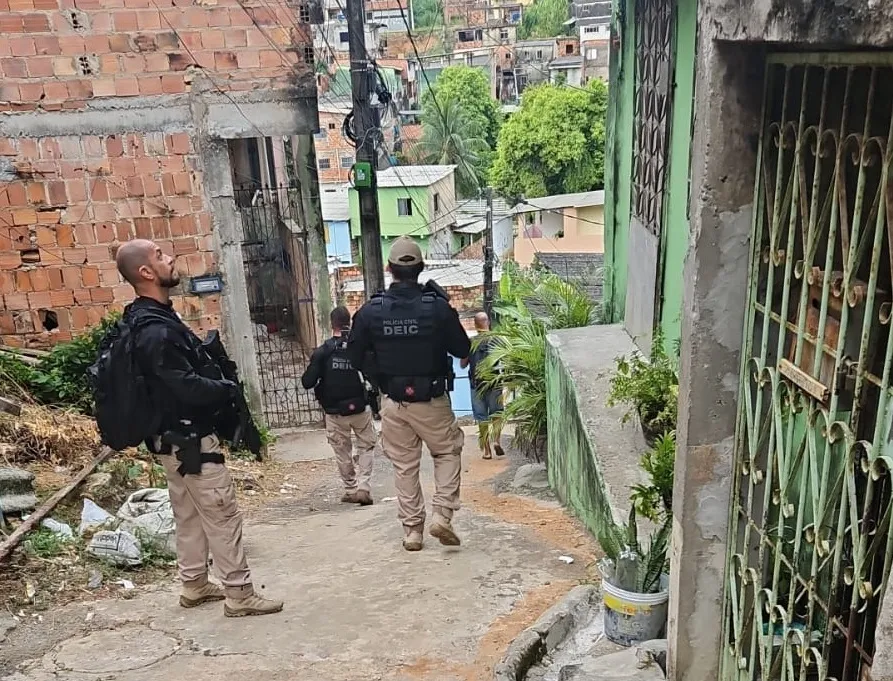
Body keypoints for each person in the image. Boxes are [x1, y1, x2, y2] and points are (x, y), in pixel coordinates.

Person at [115, 239, 282, 617]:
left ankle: (194, 584)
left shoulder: (142, 320)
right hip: (191, 440)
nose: (170, 258)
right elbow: (184, 387)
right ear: (145, 272)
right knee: (221, 514)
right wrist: (226, 389)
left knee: (187, 513)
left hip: (170, 442)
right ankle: (239, 594)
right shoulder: (157, 331)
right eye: (159, 256)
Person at [347, 237, 471, 552]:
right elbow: (461, 348)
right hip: (431, 399)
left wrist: (381, 381)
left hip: (393, 400)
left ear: (389, 269)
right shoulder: (438, 308)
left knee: (404, 466)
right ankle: (442, 513)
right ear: (421, 268)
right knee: (446, 452)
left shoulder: (370, 311)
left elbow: (354, 356)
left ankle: (412, 531)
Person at [301, 306, 377, 506]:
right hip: (360, 408)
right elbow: (374, 375)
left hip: (335, 412)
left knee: (342, 450)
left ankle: (351, 489)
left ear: (331, 324)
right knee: (366, 446)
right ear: (349, 322)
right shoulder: (360, 348)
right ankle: (364, 486)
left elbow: (307, 382)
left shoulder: (324, 351)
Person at [461, 311, 505, 460]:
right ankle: (497, 441)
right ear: (488, 323)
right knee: (497, 414)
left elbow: (462, 364)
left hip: (476, 385)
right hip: (495, 383)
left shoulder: (470, 342)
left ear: (475, 324)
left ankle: (486, 451)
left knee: (482, 418)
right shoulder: (497, 340)